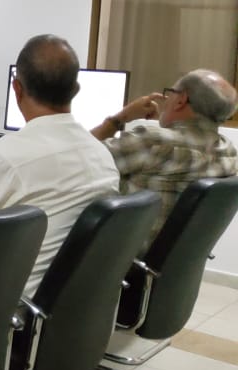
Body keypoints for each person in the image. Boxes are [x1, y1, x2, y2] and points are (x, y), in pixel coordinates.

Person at [0, 35, 120, 297]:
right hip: (69, 307)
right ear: (75, 90)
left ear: (17, 88)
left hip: (4, 311)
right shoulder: (101, 155)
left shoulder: (8, 158)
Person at [91, 68, 238, 242]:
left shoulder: (152, 142)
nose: (166, 101)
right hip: (170, 263)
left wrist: (120, 118)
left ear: (181, 100)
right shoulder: (228, 152)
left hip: (117, 260)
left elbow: (79, 157)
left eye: (171, 94)